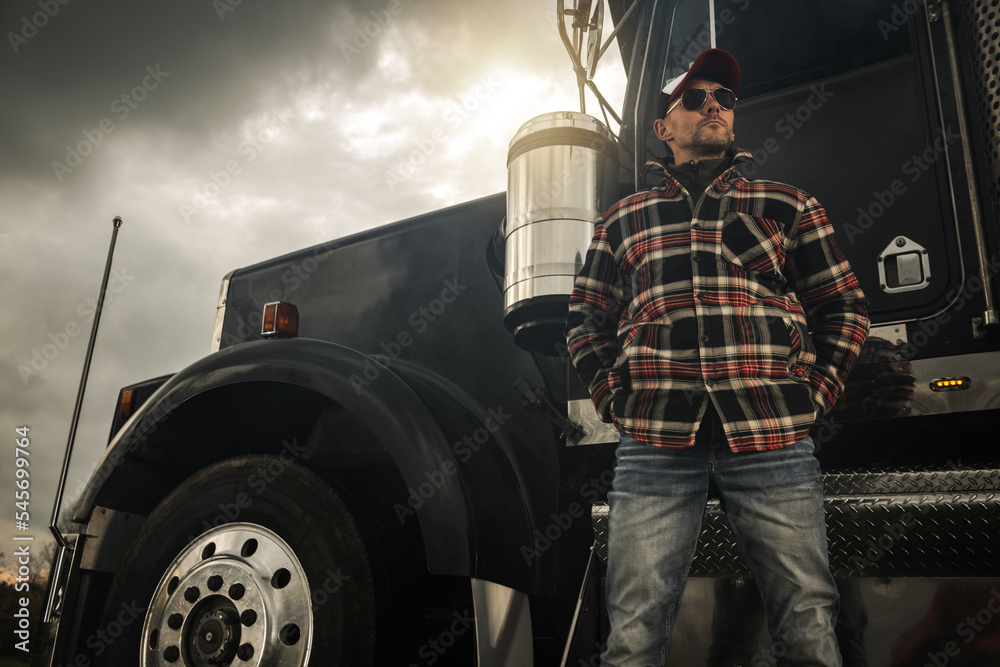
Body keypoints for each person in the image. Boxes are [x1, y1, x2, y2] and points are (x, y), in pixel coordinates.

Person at [564, 49, 869, 666]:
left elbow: (843, 307)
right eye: (695, 97)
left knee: (807, 620)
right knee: (631, 633)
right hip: (653, 444)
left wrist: (813, 394)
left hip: (772, 438)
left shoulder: (786, 203)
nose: (713, 106)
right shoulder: (622, 221)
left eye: (724, 99)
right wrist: (614, 400)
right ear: (663, 128)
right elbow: (585, 321)